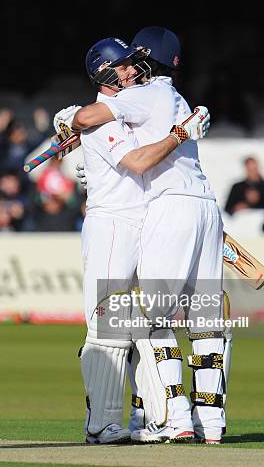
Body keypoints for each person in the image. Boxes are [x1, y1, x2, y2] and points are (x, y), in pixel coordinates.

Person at [56, 27, 226, 444]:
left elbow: (87, 124)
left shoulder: (138, 99)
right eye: (124, 65)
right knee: (117, 325)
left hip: (158, 214)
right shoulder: (157, 100)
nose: (132, 70)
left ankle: (168, 417)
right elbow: (113, 146)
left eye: (135, 62)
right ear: (106, 72)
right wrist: (85, 153)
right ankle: (141, 420)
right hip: (128, 219)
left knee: (147, 320)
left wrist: (71, 125)